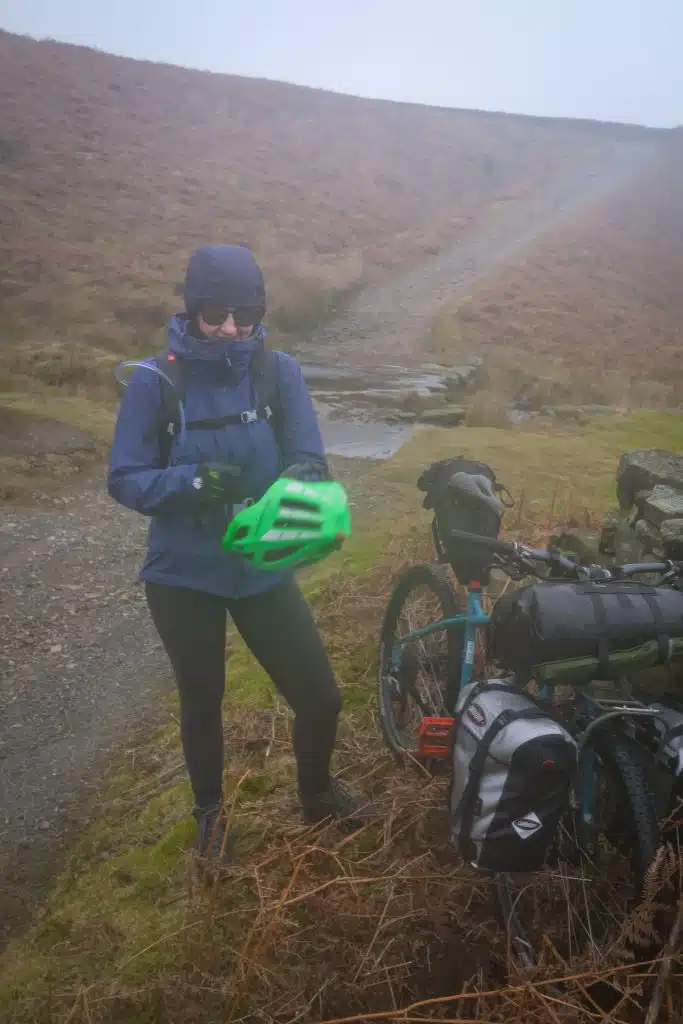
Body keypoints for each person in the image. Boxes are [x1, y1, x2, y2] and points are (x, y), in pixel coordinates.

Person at [108, 244, 366, 864]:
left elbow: (311, 458)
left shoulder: (278, 372)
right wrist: (193, 482)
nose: (229, 328)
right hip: (182, 573)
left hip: (259, 565)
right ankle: (210, 822)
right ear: (192, 308)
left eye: (244, 315)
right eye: (215, 314)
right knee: (203, 698)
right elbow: (124, 477)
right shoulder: (154, 381)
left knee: (321, 697)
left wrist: (293, 485)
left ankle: (318, 794)